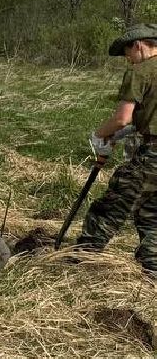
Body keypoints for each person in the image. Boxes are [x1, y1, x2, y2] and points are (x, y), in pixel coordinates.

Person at [74, 24, 157, 280]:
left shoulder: (141, 71)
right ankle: (153, 269)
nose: (128, 60)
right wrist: (121, 135)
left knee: (111, 206)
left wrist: (100, 135)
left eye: (126, 53)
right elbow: (144, 118)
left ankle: (81, 259)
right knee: (151, 212)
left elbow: (122, 117)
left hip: (153, 155)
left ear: (138, 45)